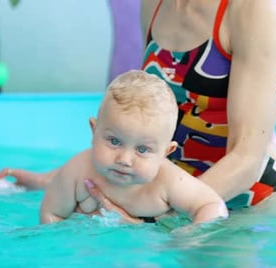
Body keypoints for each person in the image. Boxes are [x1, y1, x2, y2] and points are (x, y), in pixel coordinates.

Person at [0, 0, 276, 219]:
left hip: (247, 200)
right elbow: (146, 121)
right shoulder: (154, 5)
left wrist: (154, 219)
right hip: (166, 191)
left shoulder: (252, 10)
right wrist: (55, 181)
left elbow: (247, 157)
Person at [17, 70, 228, 224]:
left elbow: (212, 206)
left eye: (142, 150)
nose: (125, 159)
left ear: (166, 153)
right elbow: (51, 214)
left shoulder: (168, 181)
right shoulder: (77, 172)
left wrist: (186, 237)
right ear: (94, 131)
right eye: (115, 141)